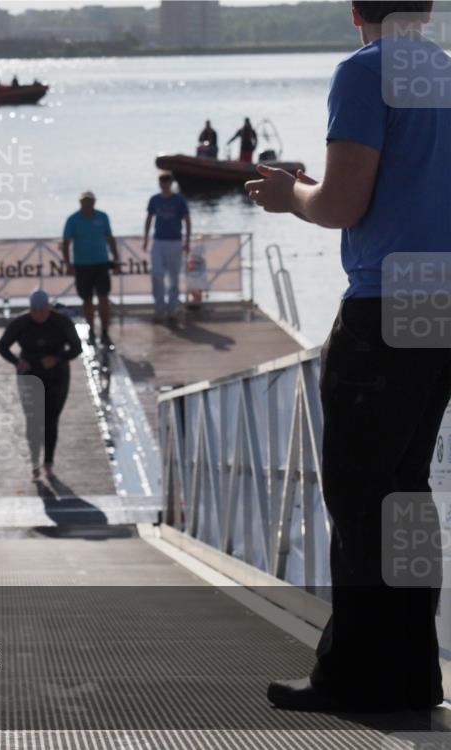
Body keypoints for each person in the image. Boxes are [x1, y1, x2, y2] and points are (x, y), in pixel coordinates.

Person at [245, 0, 451, 713]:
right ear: (424, 8)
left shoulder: (366, 73)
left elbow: (340, 205)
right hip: (440, 296)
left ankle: (356, 678)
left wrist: (287, 193)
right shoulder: (444, 72)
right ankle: (415, 672)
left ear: (355, 10)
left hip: (385, 300)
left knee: (361, 498)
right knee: (407, 494)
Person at [0, 289, 82, 481]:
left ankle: (49, 463)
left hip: (57, 375)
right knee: (33, 420)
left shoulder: (61, 323)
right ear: (30, 310)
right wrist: (17, 362)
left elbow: (77, 347)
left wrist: (58, 358)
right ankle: (35, 463)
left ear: (49, 308)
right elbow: (2, 346)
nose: (39, 315)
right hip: (29, 374)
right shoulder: (21, 323)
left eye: (43, 311)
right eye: (35, 311)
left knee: (51, 419)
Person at [62, 190, 119, 347]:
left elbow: (110, 237)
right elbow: (66, 242)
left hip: (101, 263)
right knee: (86, 300)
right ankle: (91, 331)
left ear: (94, 202)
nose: (88, 204)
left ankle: (105, 332)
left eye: (90, 201)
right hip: (82, 265)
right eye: (85, 201)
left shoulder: (102, 217)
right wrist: (68, 263)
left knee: (103, 298)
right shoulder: (73, 220)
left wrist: (116, 258)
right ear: (80, 202)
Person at [143, 173, 191, 321]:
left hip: (175, 241)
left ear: (171, 182)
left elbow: (187, 220)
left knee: (174, 277)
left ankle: (173, 306)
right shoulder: (154, 199)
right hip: (158, 241)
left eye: (167, 180)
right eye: (162, 181)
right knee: (157, 274)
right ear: (159, 183)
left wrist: (187, 241)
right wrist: (145, 238)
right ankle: (159, 306)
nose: (164, 183)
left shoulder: (179, 199)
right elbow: (149, 219)